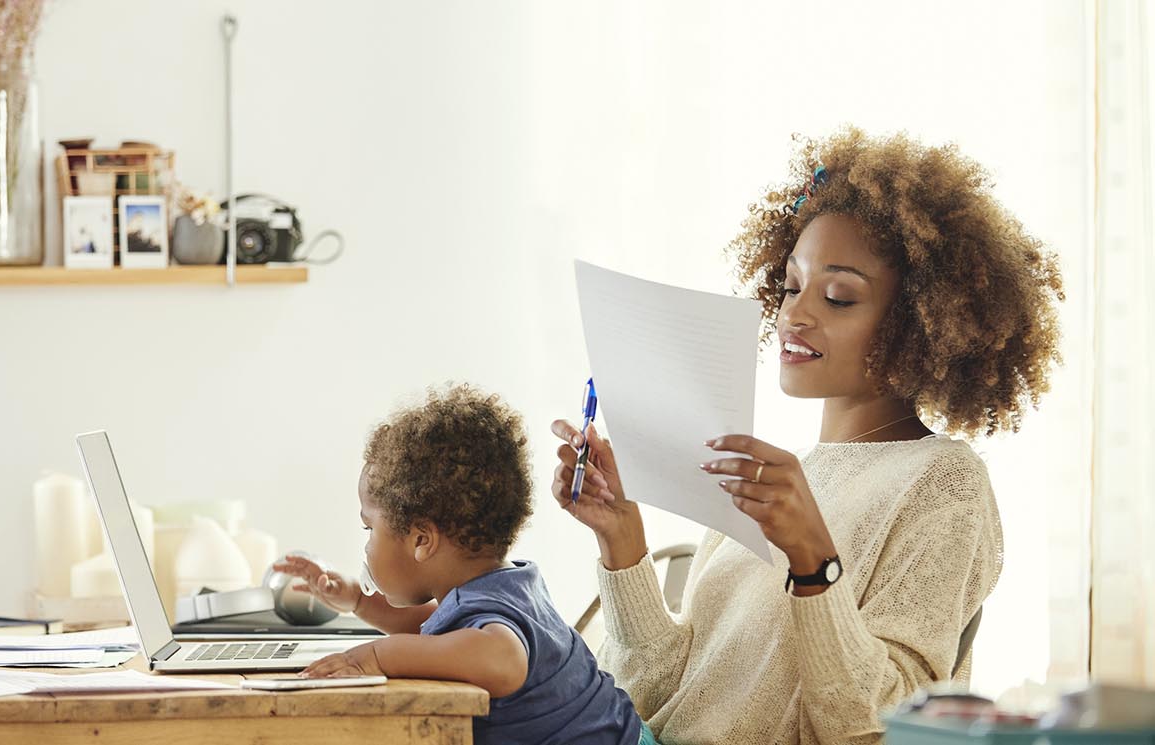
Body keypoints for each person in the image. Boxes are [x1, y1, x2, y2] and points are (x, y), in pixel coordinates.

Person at [551, 127, 1064, 744]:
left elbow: (882, 729)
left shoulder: (943, 483)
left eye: (839, 297)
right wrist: (622, 539)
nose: (794, 314)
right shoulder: (778, 479)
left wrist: (813, 560)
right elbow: (661, 695)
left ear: (917, 325)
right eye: (792, 286)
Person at [278, 383, 650, 745]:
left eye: (369, 528)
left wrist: (375, 657)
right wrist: (359, 601)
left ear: (421, 540)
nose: (367, 544)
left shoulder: (490, 618)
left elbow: (502, 660)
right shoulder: (506, 586)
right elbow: (437, 634)